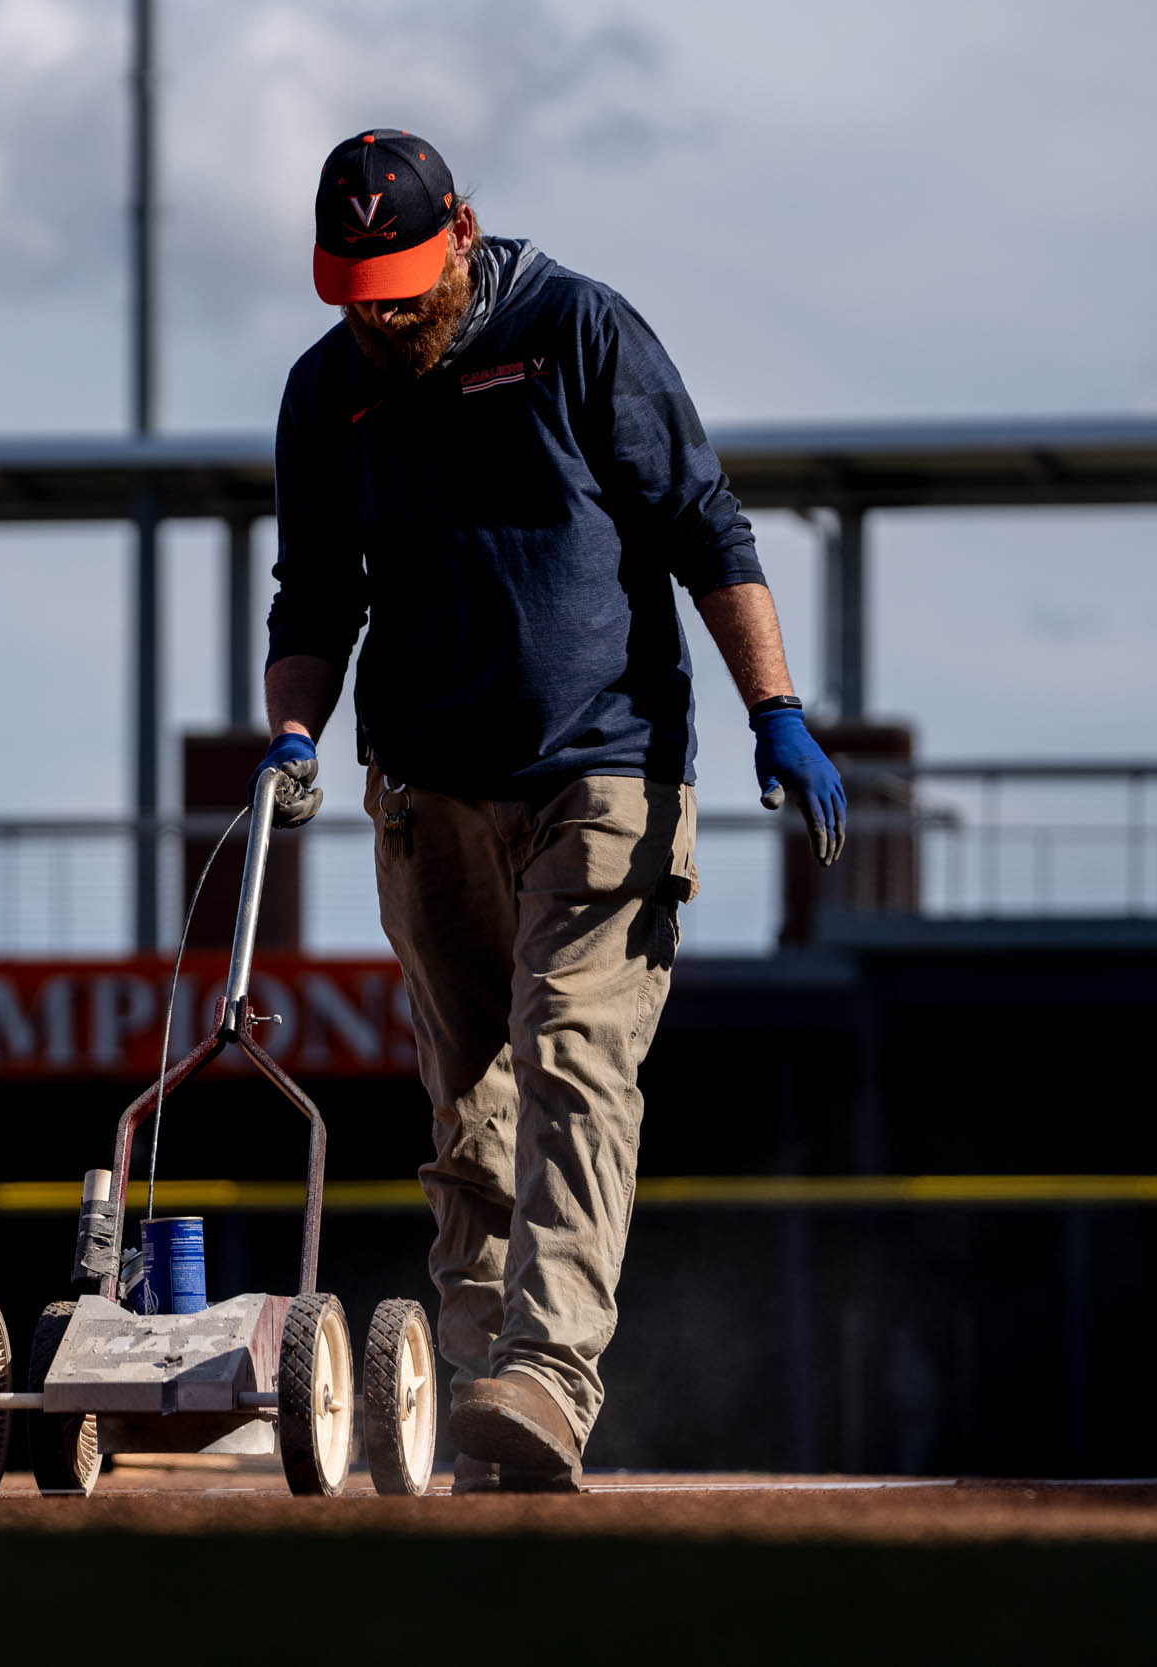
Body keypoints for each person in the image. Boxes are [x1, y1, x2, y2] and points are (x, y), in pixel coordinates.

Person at [255, 129, 846, 1492]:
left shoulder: (581, 330)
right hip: (424, 793)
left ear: (461, 231)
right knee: (469, 1102)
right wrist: (292, 733)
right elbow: (313, 596)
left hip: (604, 769)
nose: (383, 315)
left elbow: (707, 527)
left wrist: (776, 710)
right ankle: (478, 1389)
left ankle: (548, 1375)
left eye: (402, 285)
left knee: (576, 1061)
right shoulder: (325, 391)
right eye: (355, 294)